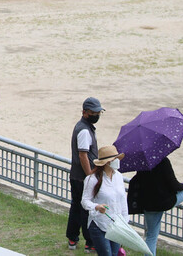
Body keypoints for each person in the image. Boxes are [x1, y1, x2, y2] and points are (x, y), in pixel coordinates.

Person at [67, 97, 103, 251]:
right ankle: (90, 242)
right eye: (93, 112)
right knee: (86, 210)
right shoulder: (84, 130)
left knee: (76, 207)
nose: (96, 115)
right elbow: (83, 155)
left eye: (98, 112)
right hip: (82, 177)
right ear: (84, 112)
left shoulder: (83, 127)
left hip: (77, 176)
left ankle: (72, 238)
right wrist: (90, 177)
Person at [81, 145, 128, 256]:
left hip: (116, 225)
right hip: (98, 224)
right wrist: (96, 207)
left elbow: (123, 201)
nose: (117, 161)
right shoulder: (92, 179)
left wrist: (125, 222)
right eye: (115, 159)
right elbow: (85, 201)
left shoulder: (119, 177)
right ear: (107, 162)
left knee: (114, 253)